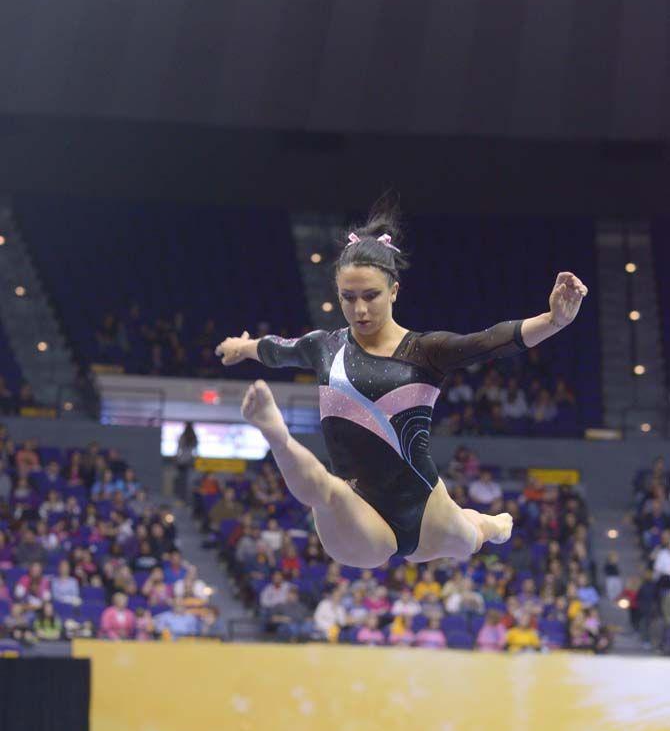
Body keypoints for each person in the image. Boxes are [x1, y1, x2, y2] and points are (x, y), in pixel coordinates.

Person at [216, 199, 587, 569]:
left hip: (425, 508)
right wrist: (242, 347)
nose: (360, 309)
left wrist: (553, 320)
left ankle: (491, 523)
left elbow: (491, 340)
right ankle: (275, 433)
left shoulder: (425, 351)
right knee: (325, 491)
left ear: (393, 290)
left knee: (471, 540)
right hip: (359, 513)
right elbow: (278, 349)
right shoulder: (324, 347)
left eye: (371, 296)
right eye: (348, 298)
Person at [175, 423, 198, 502]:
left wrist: (177, 459)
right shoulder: (194, 437)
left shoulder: (183, 436)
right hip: (190, 461)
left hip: (182, 461)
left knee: (182, 481)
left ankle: (181, 499)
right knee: (189, 482)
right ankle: (187, 499)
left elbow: (178, 449)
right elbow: (196, 451)